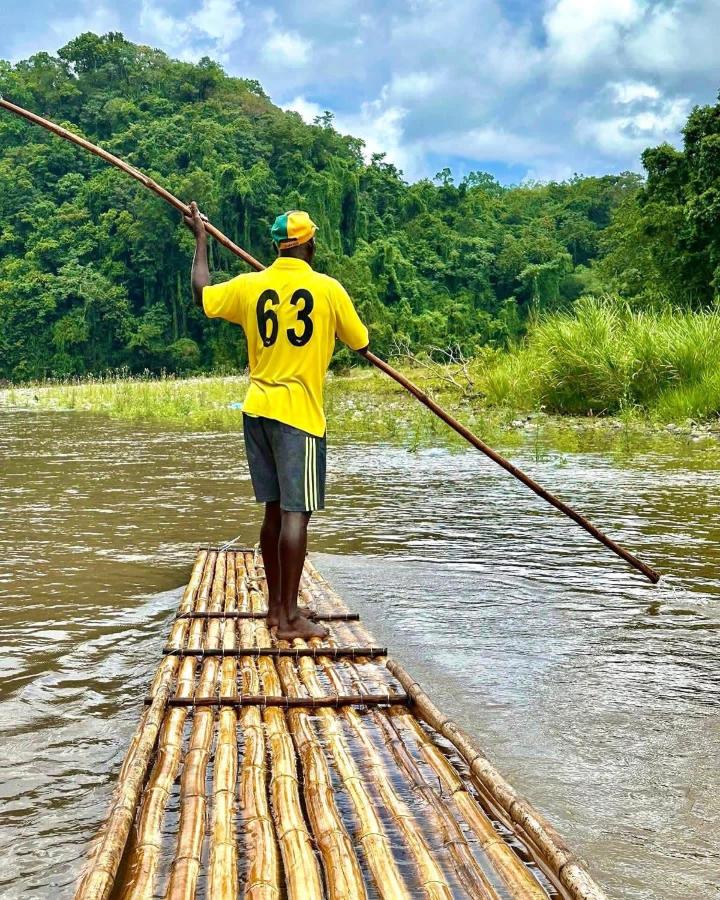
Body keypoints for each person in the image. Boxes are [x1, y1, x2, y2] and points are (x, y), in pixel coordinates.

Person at [186, 204, 369, 640]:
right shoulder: (328, 289)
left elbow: (202, 293)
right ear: (309, 245)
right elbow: (361, 342)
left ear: (277, 246)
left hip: (256, 412)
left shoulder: (252, 286)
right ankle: (287, 619)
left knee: (273, 510)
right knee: (296, 514)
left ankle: (277, 608)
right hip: (298, 417)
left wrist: (201, 239)